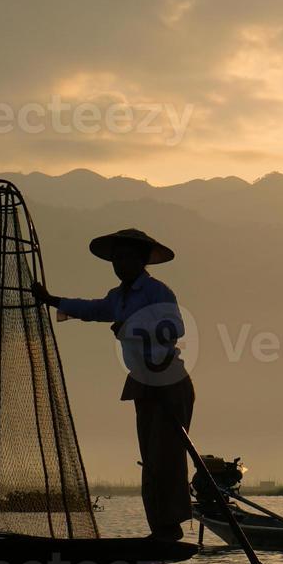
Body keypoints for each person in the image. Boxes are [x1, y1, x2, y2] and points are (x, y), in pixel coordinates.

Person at [31, 228, 194, 541]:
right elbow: (92, 310)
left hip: (169, 380)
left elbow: (175, 327)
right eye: (117, 258)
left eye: (127, 257)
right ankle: (160, 528)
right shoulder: (117, 297)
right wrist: (52, 300)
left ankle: (170, 528)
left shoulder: (157, 292)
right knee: (150, 457)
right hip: (143, 383)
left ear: (141, 260)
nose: (120, 263)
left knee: (167, 454)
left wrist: (131, 326)